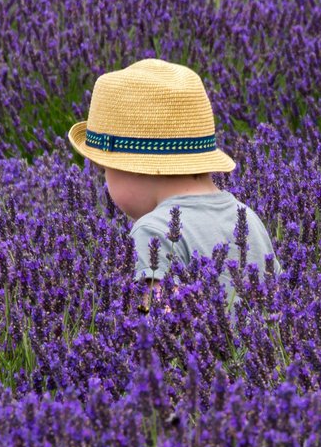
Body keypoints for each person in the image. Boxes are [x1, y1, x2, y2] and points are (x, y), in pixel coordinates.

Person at [67, 59, 276, 312]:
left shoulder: (152, 232)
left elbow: (164, 325)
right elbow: (279, 307)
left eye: (104, 170)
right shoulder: (248, 217)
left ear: (132, 168)